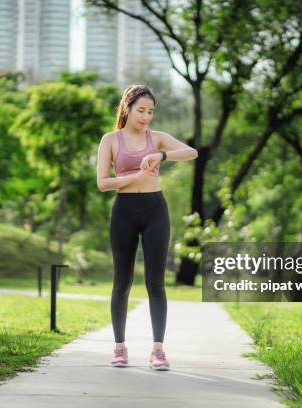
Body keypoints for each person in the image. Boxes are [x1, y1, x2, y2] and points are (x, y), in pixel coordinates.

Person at [96, 84, 198, 370]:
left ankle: (158, 350)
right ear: (127, 108)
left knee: (156, 283)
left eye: (151, 111)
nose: (146, 116)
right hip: (124, 212)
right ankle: (119, 347)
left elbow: (192, 152)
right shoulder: (111, 140)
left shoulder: (158, 138)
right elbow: (103, 183)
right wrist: (134, 177)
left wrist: (161, 156)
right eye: (141, 110)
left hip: (155, 211)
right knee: (122, 282)